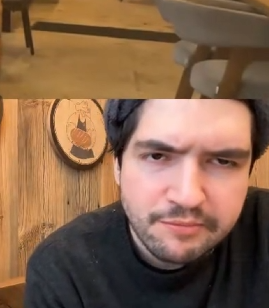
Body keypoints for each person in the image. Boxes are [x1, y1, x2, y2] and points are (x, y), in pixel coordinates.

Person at [25, 99, 269, 308]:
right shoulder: (64, 270)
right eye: (157, 156)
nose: (188, 196)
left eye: (223, 161)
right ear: (118, 166)